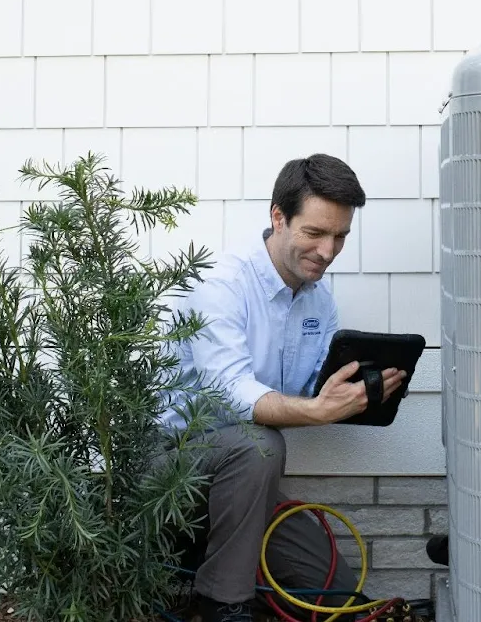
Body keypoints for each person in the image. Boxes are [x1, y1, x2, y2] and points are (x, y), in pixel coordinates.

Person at [157, 154, 407, 622]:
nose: (328, 251)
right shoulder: (222, 284)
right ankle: (222, 603)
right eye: (315, 233)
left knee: (333, 592)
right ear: (278, 217)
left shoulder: (319, 302)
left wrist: (358, 393)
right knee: (260, 444)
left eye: (340, 236)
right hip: (168, 460)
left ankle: (213, 560)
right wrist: (318, 411)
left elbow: (308, 391)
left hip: (242, 482)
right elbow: (233, 395)